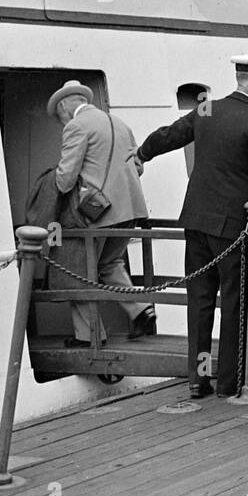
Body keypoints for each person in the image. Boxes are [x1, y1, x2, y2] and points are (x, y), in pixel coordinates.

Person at [138, 55, 248, 398]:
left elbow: (170, 135)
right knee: (235, 304)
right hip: (232, 230)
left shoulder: (207, 110)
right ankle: (229, 382)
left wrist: (142, 152)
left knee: (199, 303)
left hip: (196, 220)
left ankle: (199, 378)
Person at [49, 81, 153, 348]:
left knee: (79, 269)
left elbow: (65, 179)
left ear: (64, 106)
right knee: (109, 263)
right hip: (131, 209)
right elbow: (138, 168)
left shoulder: (76, 126)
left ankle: (89, 336)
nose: (60, 122)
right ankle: (141, 310)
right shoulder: (119, 123)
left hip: (98, 213)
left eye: (58, 116)